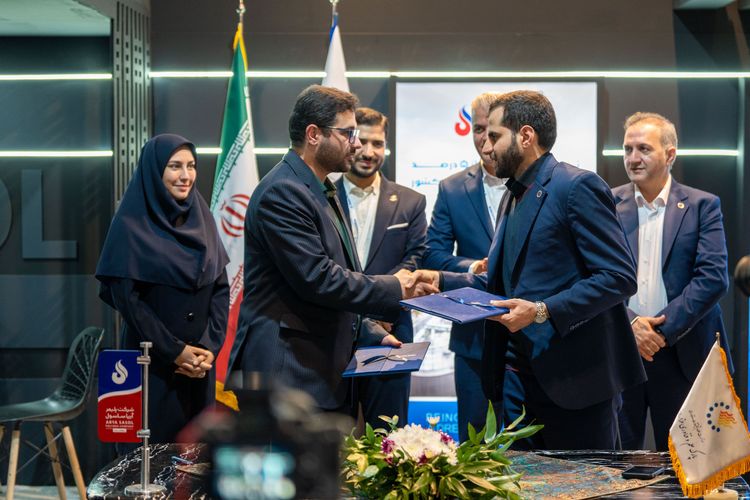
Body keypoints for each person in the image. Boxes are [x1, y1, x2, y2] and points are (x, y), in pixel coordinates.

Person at [435, 90, 645, 450]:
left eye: (495, 136)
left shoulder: (577, 186)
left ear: (526, 136)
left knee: (582, 481)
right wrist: (439, 280)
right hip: (517, 382)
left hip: (576, 383)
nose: (486, 146)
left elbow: (618, 277)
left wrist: (541, 311)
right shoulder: (512, 195)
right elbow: (506, 280)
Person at [228, 85, 437, 415]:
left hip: (313, 370)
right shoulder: (283, 192)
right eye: (348, 133)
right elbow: (319, 279)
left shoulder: (319, 188)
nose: (357, 144)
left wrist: (368, 331)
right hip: (286, 373)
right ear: (314, 134)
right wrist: (396, 286)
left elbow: (336, 278)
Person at [96, 133, 230, 444]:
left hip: (199, 367)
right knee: (148, 456)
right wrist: (176, 352)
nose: (186, 175)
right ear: (154, 170)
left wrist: (208, 349)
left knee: (196, 458)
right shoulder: (130, 224)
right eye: (174, 166)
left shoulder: (203, 217)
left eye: (191, 166)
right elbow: (129, 301)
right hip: (151, 367)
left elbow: (221, 288)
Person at [613, 112, 733, 451]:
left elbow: (713, 278)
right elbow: (596, 276)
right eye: (627, 149)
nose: (633, 158)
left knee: (688, 458)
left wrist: (659, 332)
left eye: (644, 149)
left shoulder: (702, 205)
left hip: (684, 351)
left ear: (669, 154)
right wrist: (632, 325)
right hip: (624, 349)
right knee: (618, 459)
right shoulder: (607, 204)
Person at [335, 107, 427, 428]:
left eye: (378, 143)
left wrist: (377, 308)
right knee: (333, 438)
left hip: (392, 332)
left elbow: (415, 259)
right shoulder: (322, 197)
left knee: (390, 436)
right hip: (335, 330)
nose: (369, 151)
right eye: (361, 141)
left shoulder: (411, 201)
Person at [423, 92, 506, 442]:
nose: (485, 139)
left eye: (493, 130)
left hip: (530, 339)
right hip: (473, 339)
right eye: (478, 129)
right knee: (473, 443)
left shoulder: (539, 185)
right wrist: (473, 267)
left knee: (528, 450)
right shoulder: (452, 189)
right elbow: (432, 255)